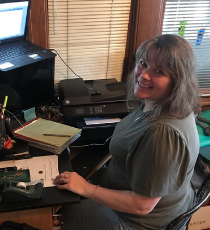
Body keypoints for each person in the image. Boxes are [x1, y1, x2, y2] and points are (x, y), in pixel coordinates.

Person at [53, 34, 201, 230]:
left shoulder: (163, 134)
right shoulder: (158, 104)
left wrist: (85, 188)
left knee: (60, 211)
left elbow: (142, 205)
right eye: (143, 63)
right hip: (141, 196)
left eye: (159, 71)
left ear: (177, 81)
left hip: (138, 221)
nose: (143, 75)